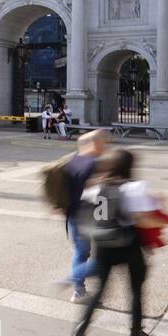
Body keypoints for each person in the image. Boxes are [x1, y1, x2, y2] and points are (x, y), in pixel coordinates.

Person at [70, 149, 168, 336]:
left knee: (99, 291)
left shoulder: (94, 186)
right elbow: (143, 219)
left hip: (102, 245)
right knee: (135, 290)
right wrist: (164, 220)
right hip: (129, 245)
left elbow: (87, 214)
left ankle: (80, 331)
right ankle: (136, 333)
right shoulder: (135, 188)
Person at [58, 129, 109, 303]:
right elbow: (97, 195)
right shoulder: (93, 164)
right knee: (103, 255)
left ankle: (79, 289)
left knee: (81, 253)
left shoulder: (73, 159)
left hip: (72, 214)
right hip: (87, 216)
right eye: (104, 142)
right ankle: (77, 287)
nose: (106, 146)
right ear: (95, 143)